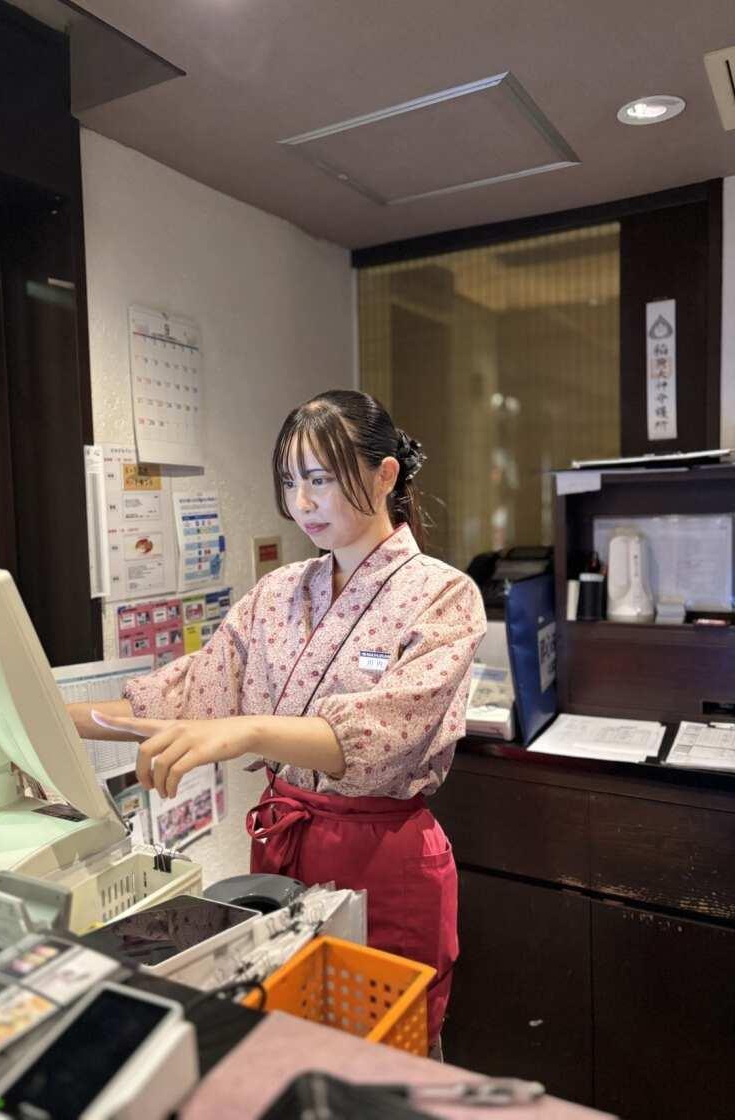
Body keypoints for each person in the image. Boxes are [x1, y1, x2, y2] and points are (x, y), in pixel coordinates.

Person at [68, 389, 486, 1045]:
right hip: (288, 856)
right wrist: (55, 717)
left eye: (320, 480)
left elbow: (389, 735)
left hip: (386, 864)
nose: (303, 503)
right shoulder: (279, 594)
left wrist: (251, 729)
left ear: (385, 475)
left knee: (384, 1061)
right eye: (292, 483)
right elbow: (185, 696)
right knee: (293, 1046)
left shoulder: (443, 594)